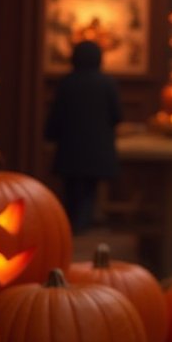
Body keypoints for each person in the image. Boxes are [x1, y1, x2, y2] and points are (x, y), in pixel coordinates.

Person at [45, 40, 122, 234]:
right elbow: (117, 116)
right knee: (90, 188)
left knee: (71, 188)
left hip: (70, 146)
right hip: (97, 147)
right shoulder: (107, 83)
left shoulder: (67, 83)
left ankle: (72, 223)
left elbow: (56, 114)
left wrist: (49, 136)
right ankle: (82, 223)